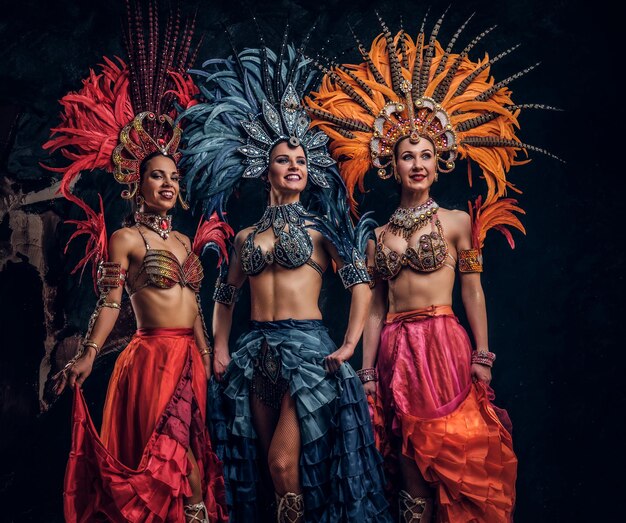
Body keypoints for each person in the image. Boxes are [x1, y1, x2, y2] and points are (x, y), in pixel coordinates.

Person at [305, 12, 558, 522]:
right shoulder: (377, 237)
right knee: (408, 466)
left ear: (438, 158)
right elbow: (376, 308)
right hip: (397, 349)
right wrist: (369, 371)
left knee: (456, 454)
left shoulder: (459, 222)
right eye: (406, 156)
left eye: (424, 154)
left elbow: (474, 294)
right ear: (390, 164)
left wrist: (482, 354)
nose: (416, 163)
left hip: (444, 342)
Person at [181, 37, 392, 522]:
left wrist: (348, 345)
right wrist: (219, 346)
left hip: (307, 352)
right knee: (265, 468)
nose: (294, 166)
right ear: (265, 169)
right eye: (283, 159)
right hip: (256, 353)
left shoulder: (322, 230)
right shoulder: (245, 237)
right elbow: (226, 292)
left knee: (284, 460)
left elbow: (360, 286)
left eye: (300, 160)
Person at [45, 3, 229, 521]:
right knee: (167, 468)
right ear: (138, 183)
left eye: (174, 176)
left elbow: (192, 304)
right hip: (149, 363)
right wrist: (86, 353)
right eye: (157, 176)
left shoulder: (188, 243)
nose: (168, 184)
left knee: (195, 467)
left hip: (188, 362)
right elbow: (109, 304)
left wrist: (208, 353)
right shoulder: (125, 238)